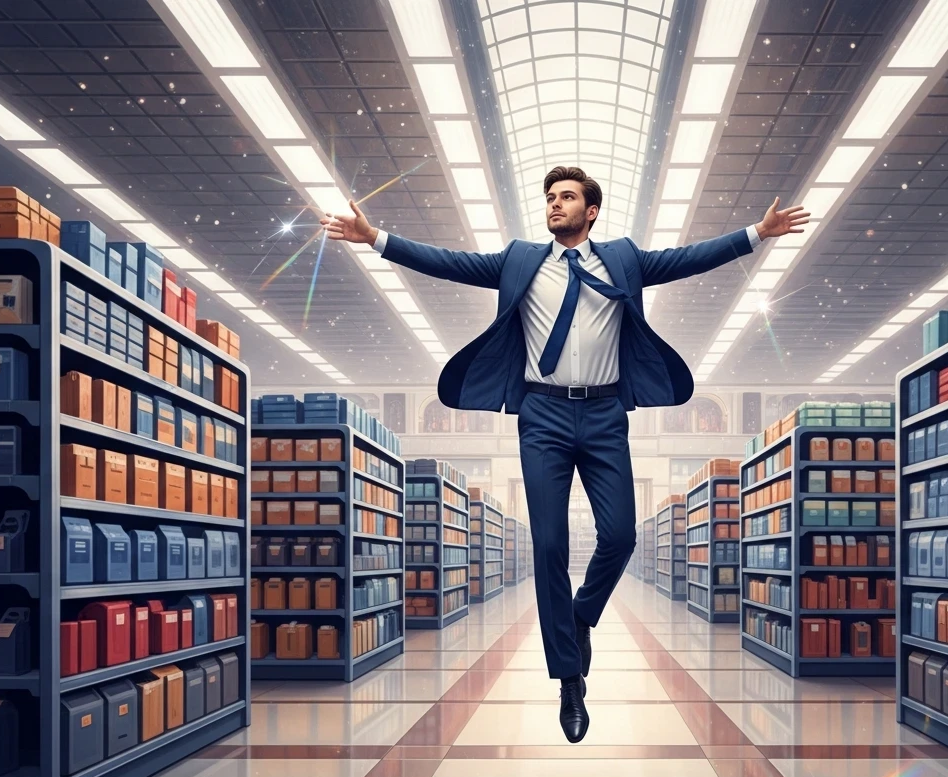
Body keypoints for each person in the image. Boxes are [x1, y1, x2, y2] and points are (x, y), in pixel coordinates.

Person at [322, 166, 809, 743]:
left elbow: (689, 258)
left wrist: (759, 232)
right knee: (549, 542)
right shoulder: (521, 260)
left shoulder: (623, 260)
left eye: (567, 197)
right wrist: (375, 238)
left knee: (622, 535)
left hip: (605, 415)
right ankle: (569, 678)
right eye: (549, 197)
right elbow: (449, 263)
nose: (554, 205)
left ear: (592, 210)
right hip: (543, 416)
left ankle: (579, 617)